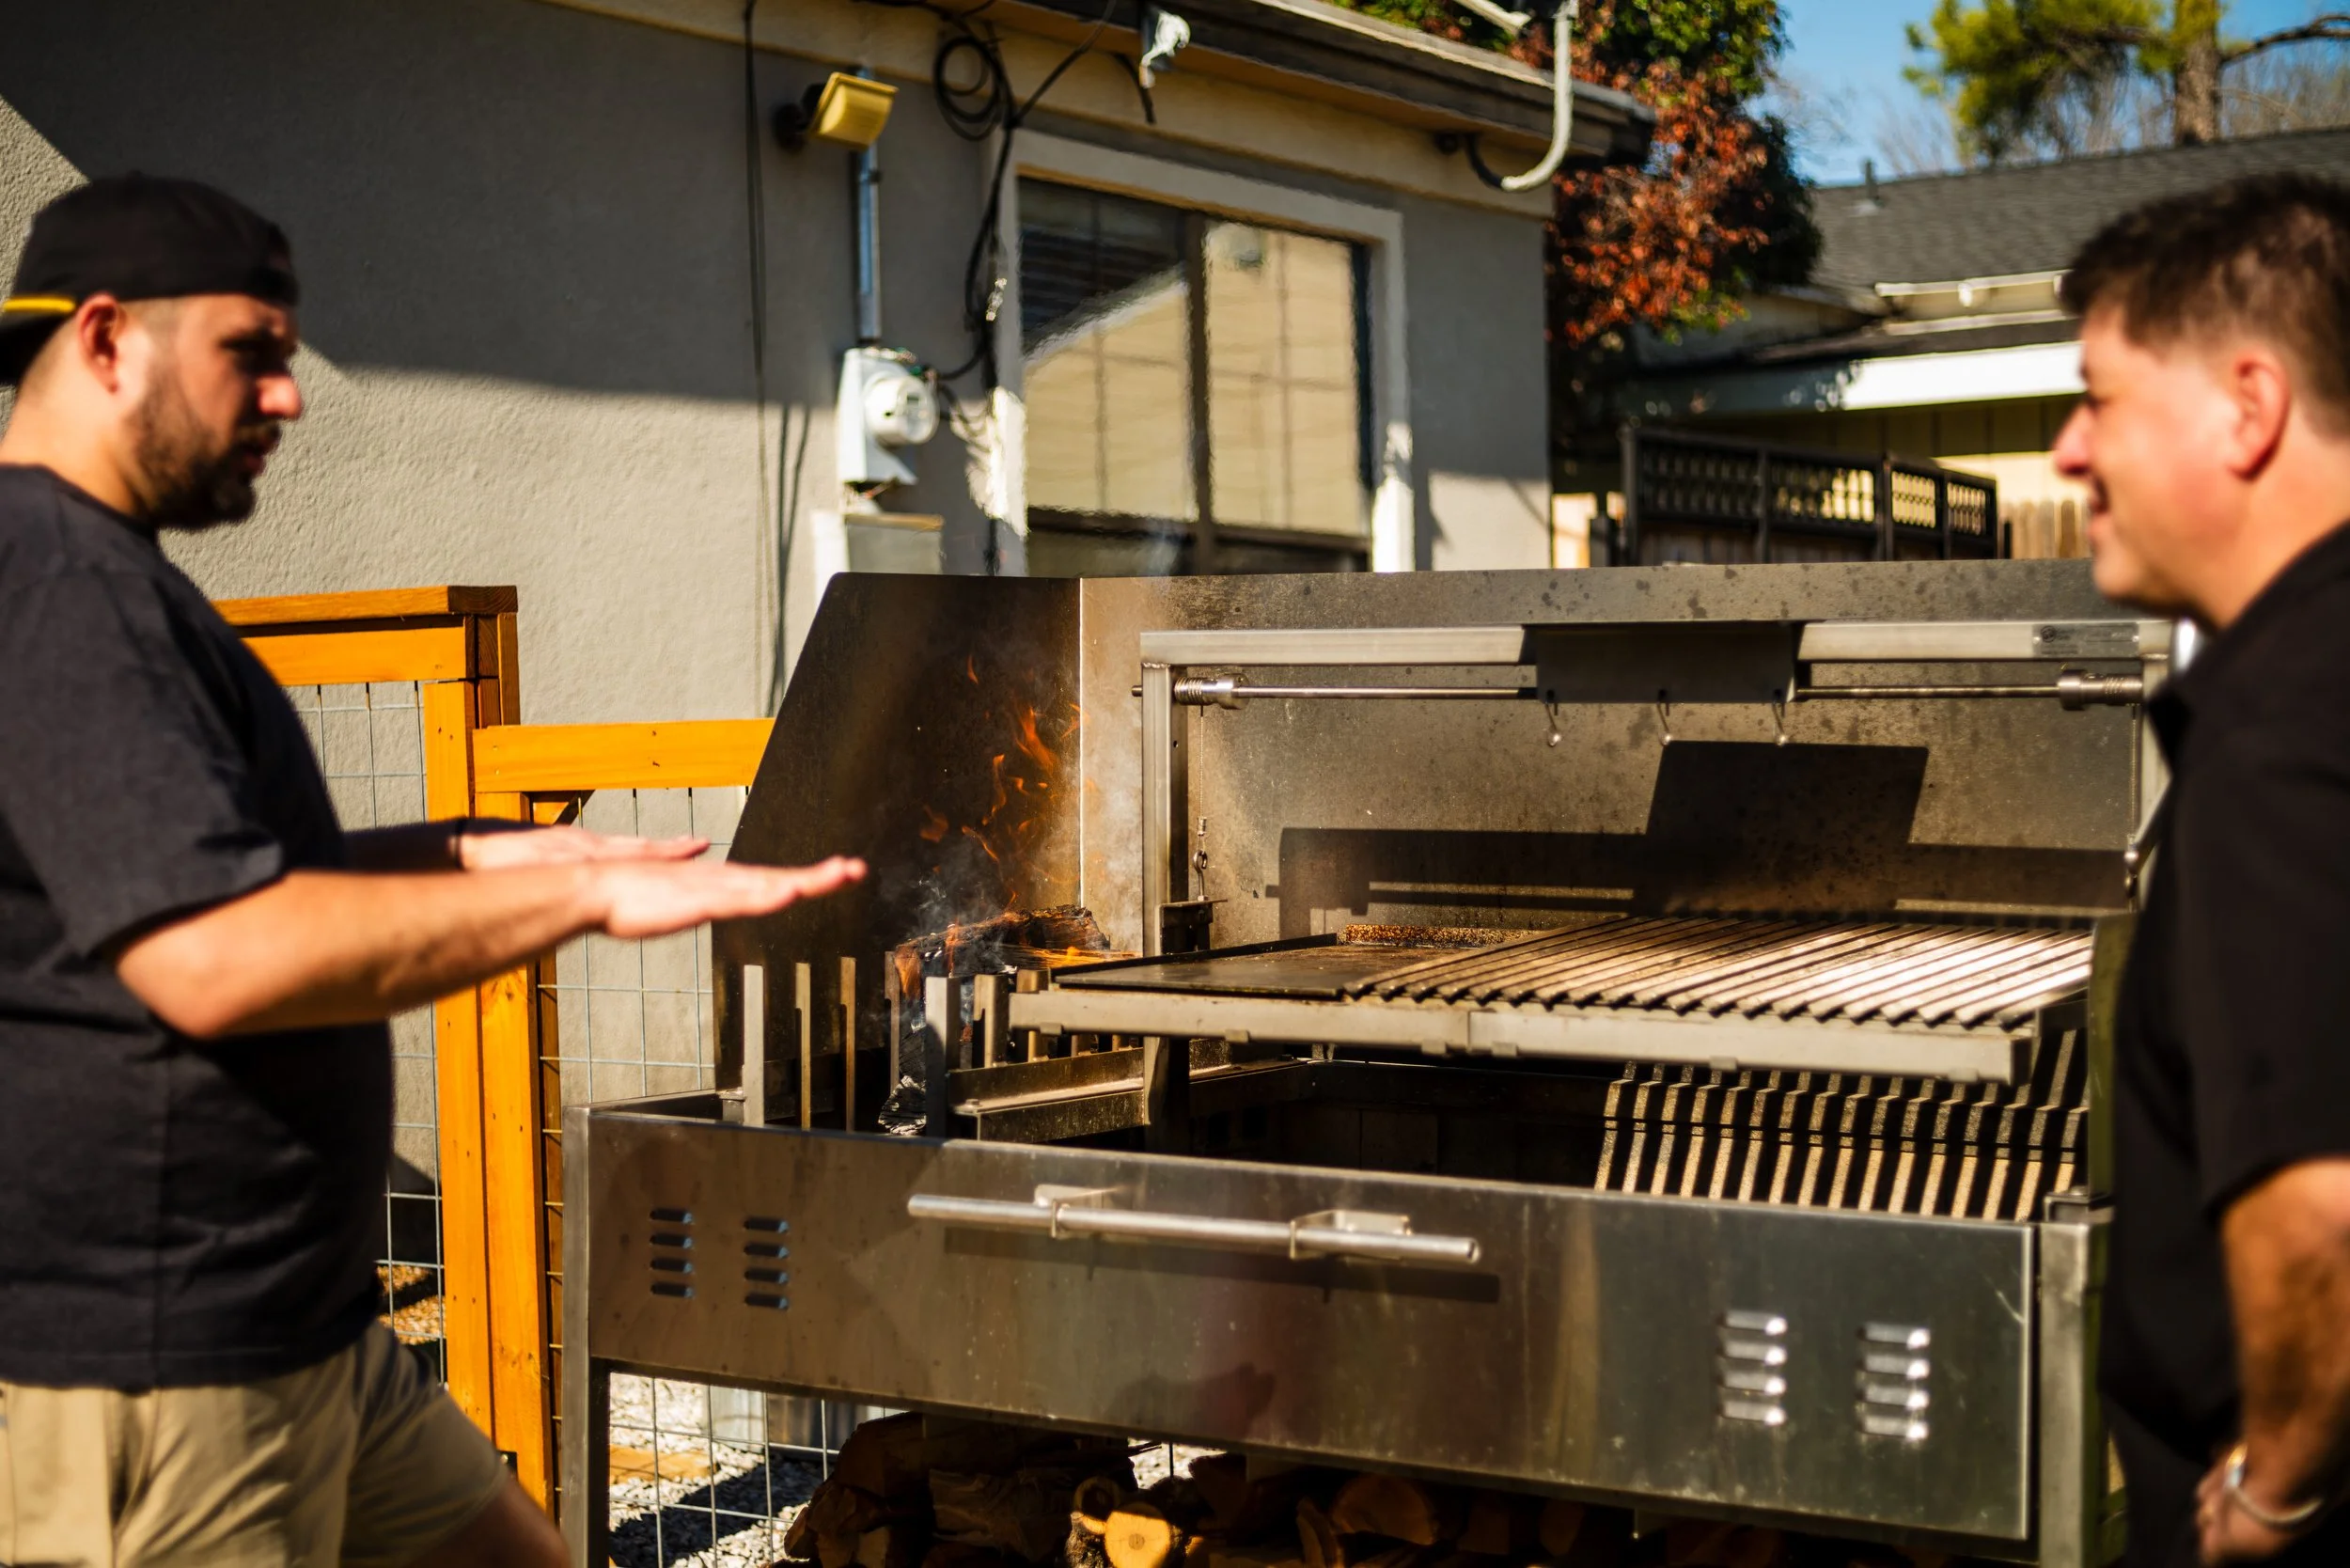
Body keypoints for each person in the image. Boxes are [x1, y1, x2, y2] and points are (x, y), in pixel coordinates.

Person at [0, 175, 863, 1566]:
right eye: (252, 352)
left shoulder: (108, 576)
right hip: (162, 1371)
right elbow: (212, 954)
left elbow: (234, 870)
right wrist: (573, 900)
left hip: (310, 1332)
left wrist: (469, 849)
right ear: (106, 340)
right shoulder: (53, 581)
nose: (289, 396)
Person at [2055, 171, 2350, 1566]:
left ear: (2250, 406)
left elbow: (2325, 1213)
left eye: (2101, 399)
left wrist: (2277, 1490)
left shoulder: (2283, 736)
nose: (2067, 451)